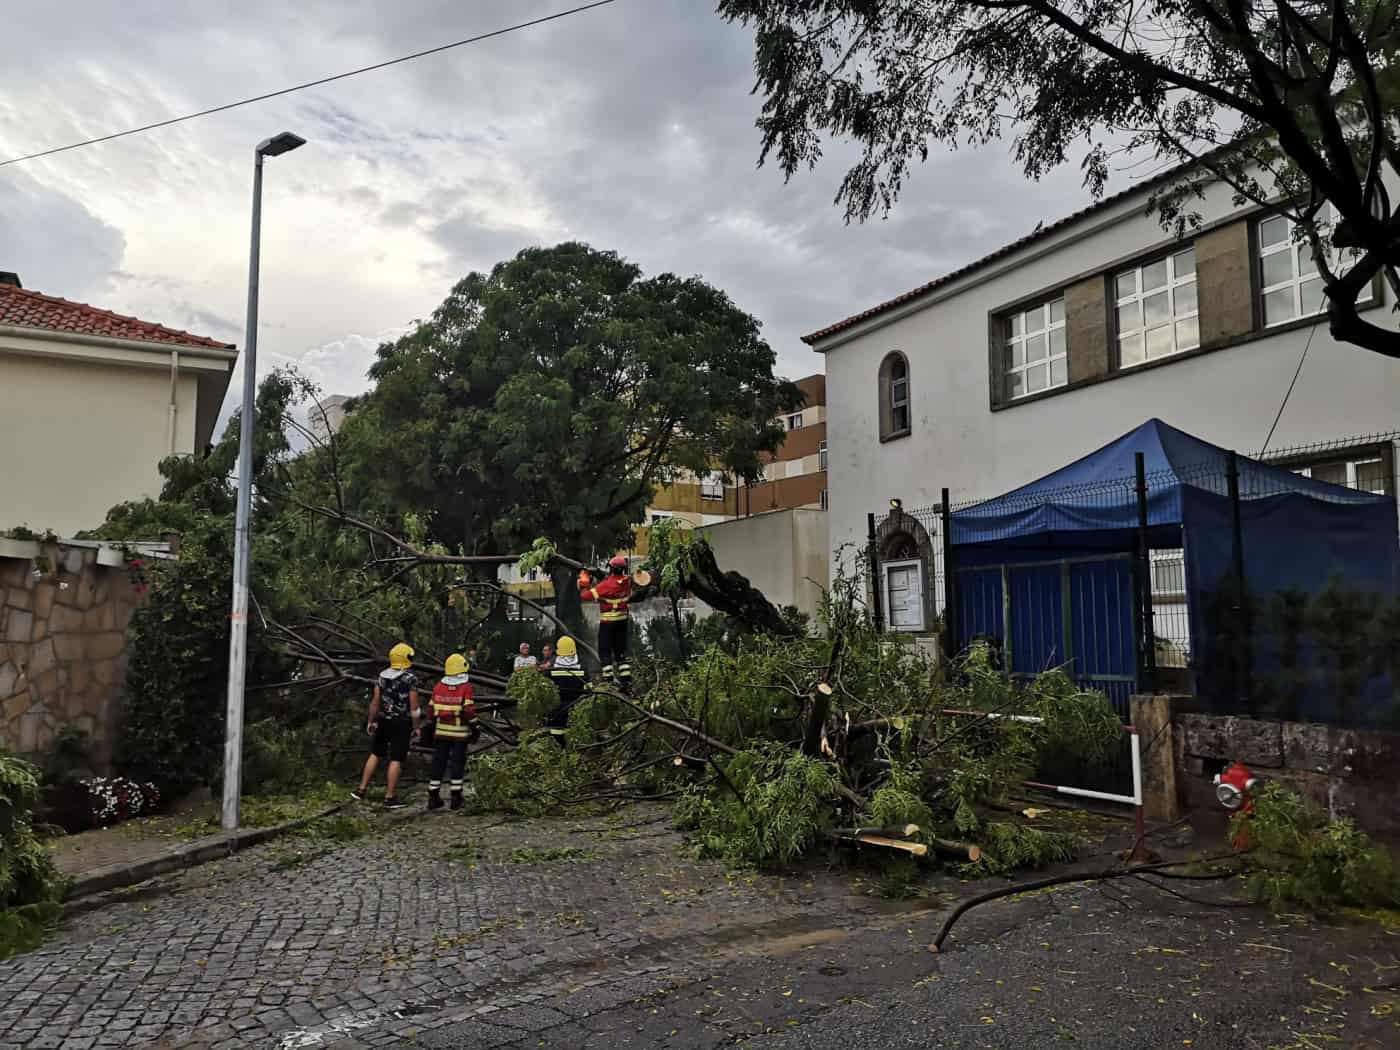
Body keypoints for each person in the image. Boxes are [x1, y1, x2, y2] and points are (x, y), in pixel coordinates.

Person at [353, 642, 420, 808]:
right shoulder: (410, 678)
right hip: (402, 722)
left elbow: (375, 702)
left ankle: (361, 790)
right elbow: (414, 706)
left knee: (375, 753)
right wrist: (416, 726)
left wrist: (371, 720)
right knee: (396, 758)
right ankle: (389, 797)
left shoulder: (381, 677)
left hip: (384, 720)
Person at [427, 653, 477, 811]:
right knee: (457, 764)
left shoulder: (438, 687)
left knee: (438, 763)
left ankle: (433, 796)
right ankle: (456, 797)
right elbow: (469, 711)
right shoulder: (466, 687)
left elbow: (430, 710)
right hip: (459, 734)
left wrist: (431, 724)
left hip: (441, 732)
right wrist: (476, 726)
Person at [579, 556, 633, 689]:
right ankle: (626, 680)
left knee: (604, 651)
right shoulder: (628, 581)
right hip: (623, 621)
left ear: (611, 569)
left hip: (608, 622)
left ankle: (609, 681)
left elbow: (585, 595)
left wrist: (585, 581)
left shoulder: (606, 585)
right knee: (620, 651)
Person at [545, 636, 588, 735]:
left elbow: (546, 691)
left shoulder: (551, 670)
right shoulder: (582, 668)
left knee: (556, 730)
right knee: (576, 732)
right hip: (577, 706)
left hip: (557, 708)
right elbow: (588, 690)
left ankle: (557, 747)